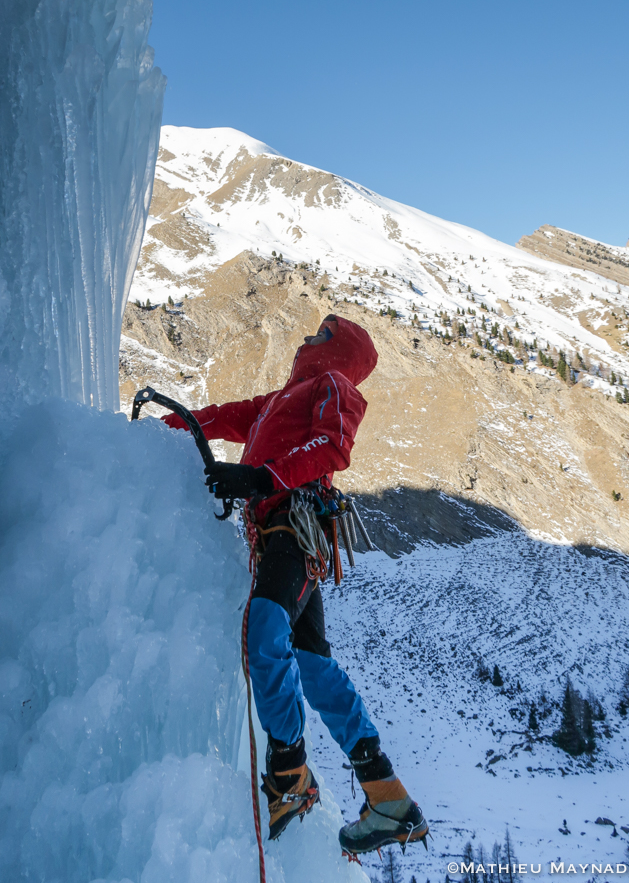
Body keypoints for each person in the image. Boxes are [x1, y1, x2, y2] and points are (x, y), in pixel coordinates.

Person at [161, 313, 428, 855]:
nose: (306, 337)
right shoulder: (280, 399)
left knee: (264, 630)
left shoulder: (335, 386)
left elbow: (334, 448)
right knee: (313, 665)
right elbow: (213, 419)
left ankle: (289, 772)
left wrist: (260, 478)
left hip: (291, 527)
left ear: (338, 350)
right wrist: (155, 431)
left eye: (320, 335)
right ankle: (388, 797)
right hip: (289, 537)